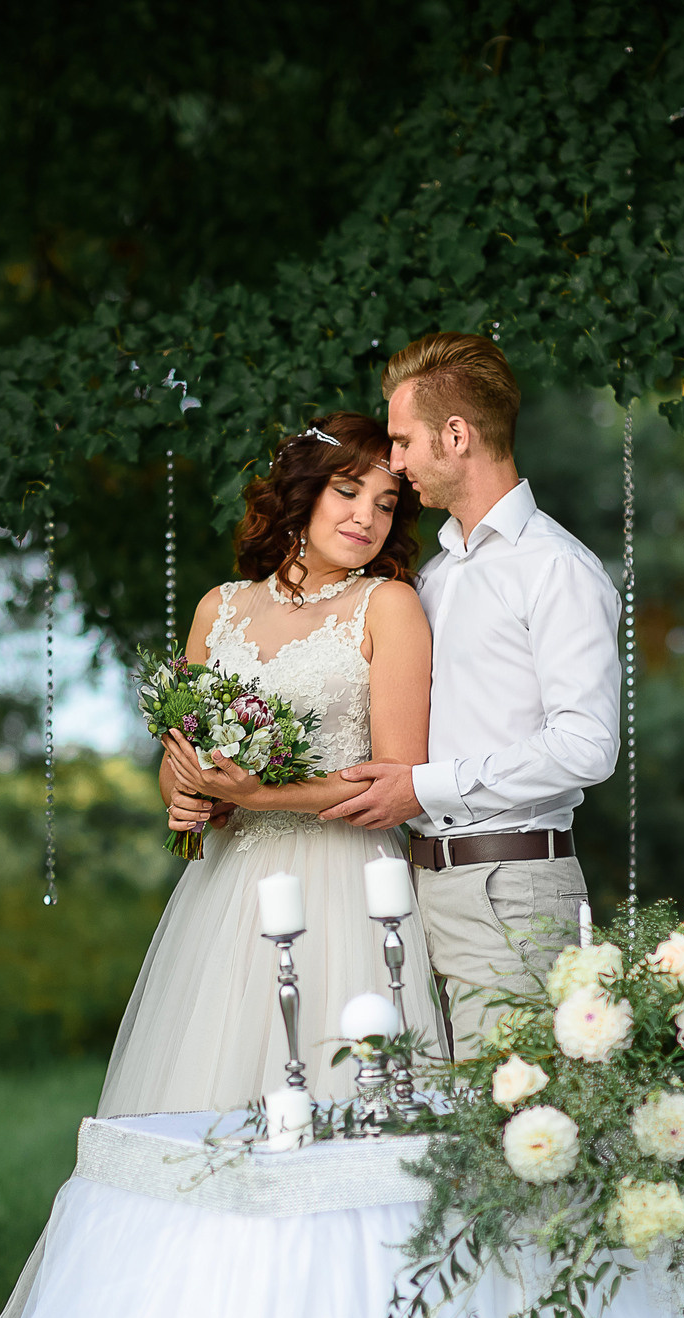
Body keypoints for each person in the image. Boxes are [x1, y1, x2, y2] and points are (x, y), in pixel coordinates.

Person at [96, 412, 438, 1118]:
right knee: (208, 1085)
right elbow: (179, 756)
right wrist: (186, 797)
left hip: (343, 883)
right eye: (349, 491)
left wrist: (258, 795)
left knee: (338, 1091)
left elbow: (397, 774)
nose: (367, 517)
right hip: (226, 889)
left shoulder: (388, 606)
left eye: (386, 504)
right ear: (303, 491)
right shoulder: (218, 608)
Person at [323, 332, 623, 1054]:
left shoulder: (555, 568)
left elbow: (588, 745)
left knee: (517, 1110)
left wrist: (424, 788)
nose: (395, 462)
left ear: (455, 436)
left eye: (403, 441)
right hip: (417, 889)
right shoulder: (434, 576)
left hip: (510, 889)